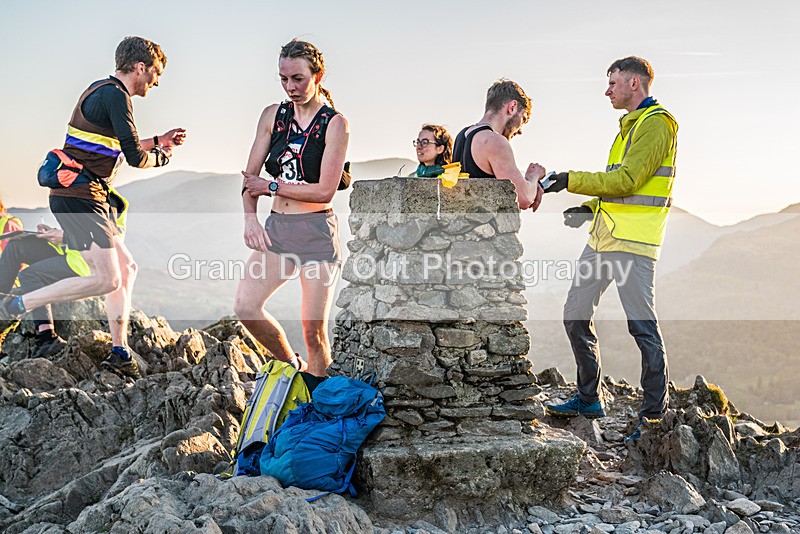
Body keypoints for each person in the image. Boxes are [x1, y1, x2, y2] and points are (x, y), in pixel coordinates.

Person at [0, 36, 186, 379]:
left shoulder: (100, 90)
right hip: (81, 198)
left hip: (85, 197)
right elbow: (134, 156)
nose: (156, 82)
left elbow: (114, 146)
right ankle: (15, 305)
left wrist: (160, 140)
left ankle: (120, 351)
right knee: (105, 278)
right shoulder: (118, 96)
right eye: (155, 73)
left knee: (126, 268)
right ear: (140, 67)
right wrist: (161, 157)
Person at [542, 57, 678, 442]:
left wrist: (570, 180)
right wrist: (588, 208)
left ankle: (653, 415)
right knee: (574, 314)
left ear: (634, 82)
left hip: (634, 245)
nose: (608, 90)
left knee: (642, 327)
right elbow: (622, 189)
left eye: (613, 82)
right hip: (603, 238)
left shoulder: (657, 124)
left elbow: (629, 179)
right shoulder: (627, 129)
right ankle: (589, 398)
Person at [236, 40, 349, 377]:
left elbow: (325, 190)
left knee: (313, 334)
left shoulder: (335, 124)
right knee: (245, 307)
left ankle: (320, 404)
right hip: (277, 231)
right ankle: (291, 366)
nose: (291, 87)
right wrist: (250, 220)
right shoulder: (273, 116)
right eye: (284, 79)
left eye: (298, 78)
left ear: (318, 75)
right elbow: (249, 178)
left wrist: (270, 187)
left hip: (315, 233)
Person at [452, 79, 545, 211]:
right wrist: (534, 175)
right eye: (523, 119)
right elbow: (522, 198)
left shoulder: (462, 135)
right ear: (512, 107)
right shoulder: (495, 141)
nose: (520, 130)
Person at [0, 225, 89, 358]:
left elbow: (100, 234)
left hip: (83, 262)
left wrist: (65, 236)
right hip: (69, 251)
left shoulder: (103, 205)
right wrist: (53, 233)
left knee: (29, 275)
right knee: (15, 246)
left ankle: (48, 336)